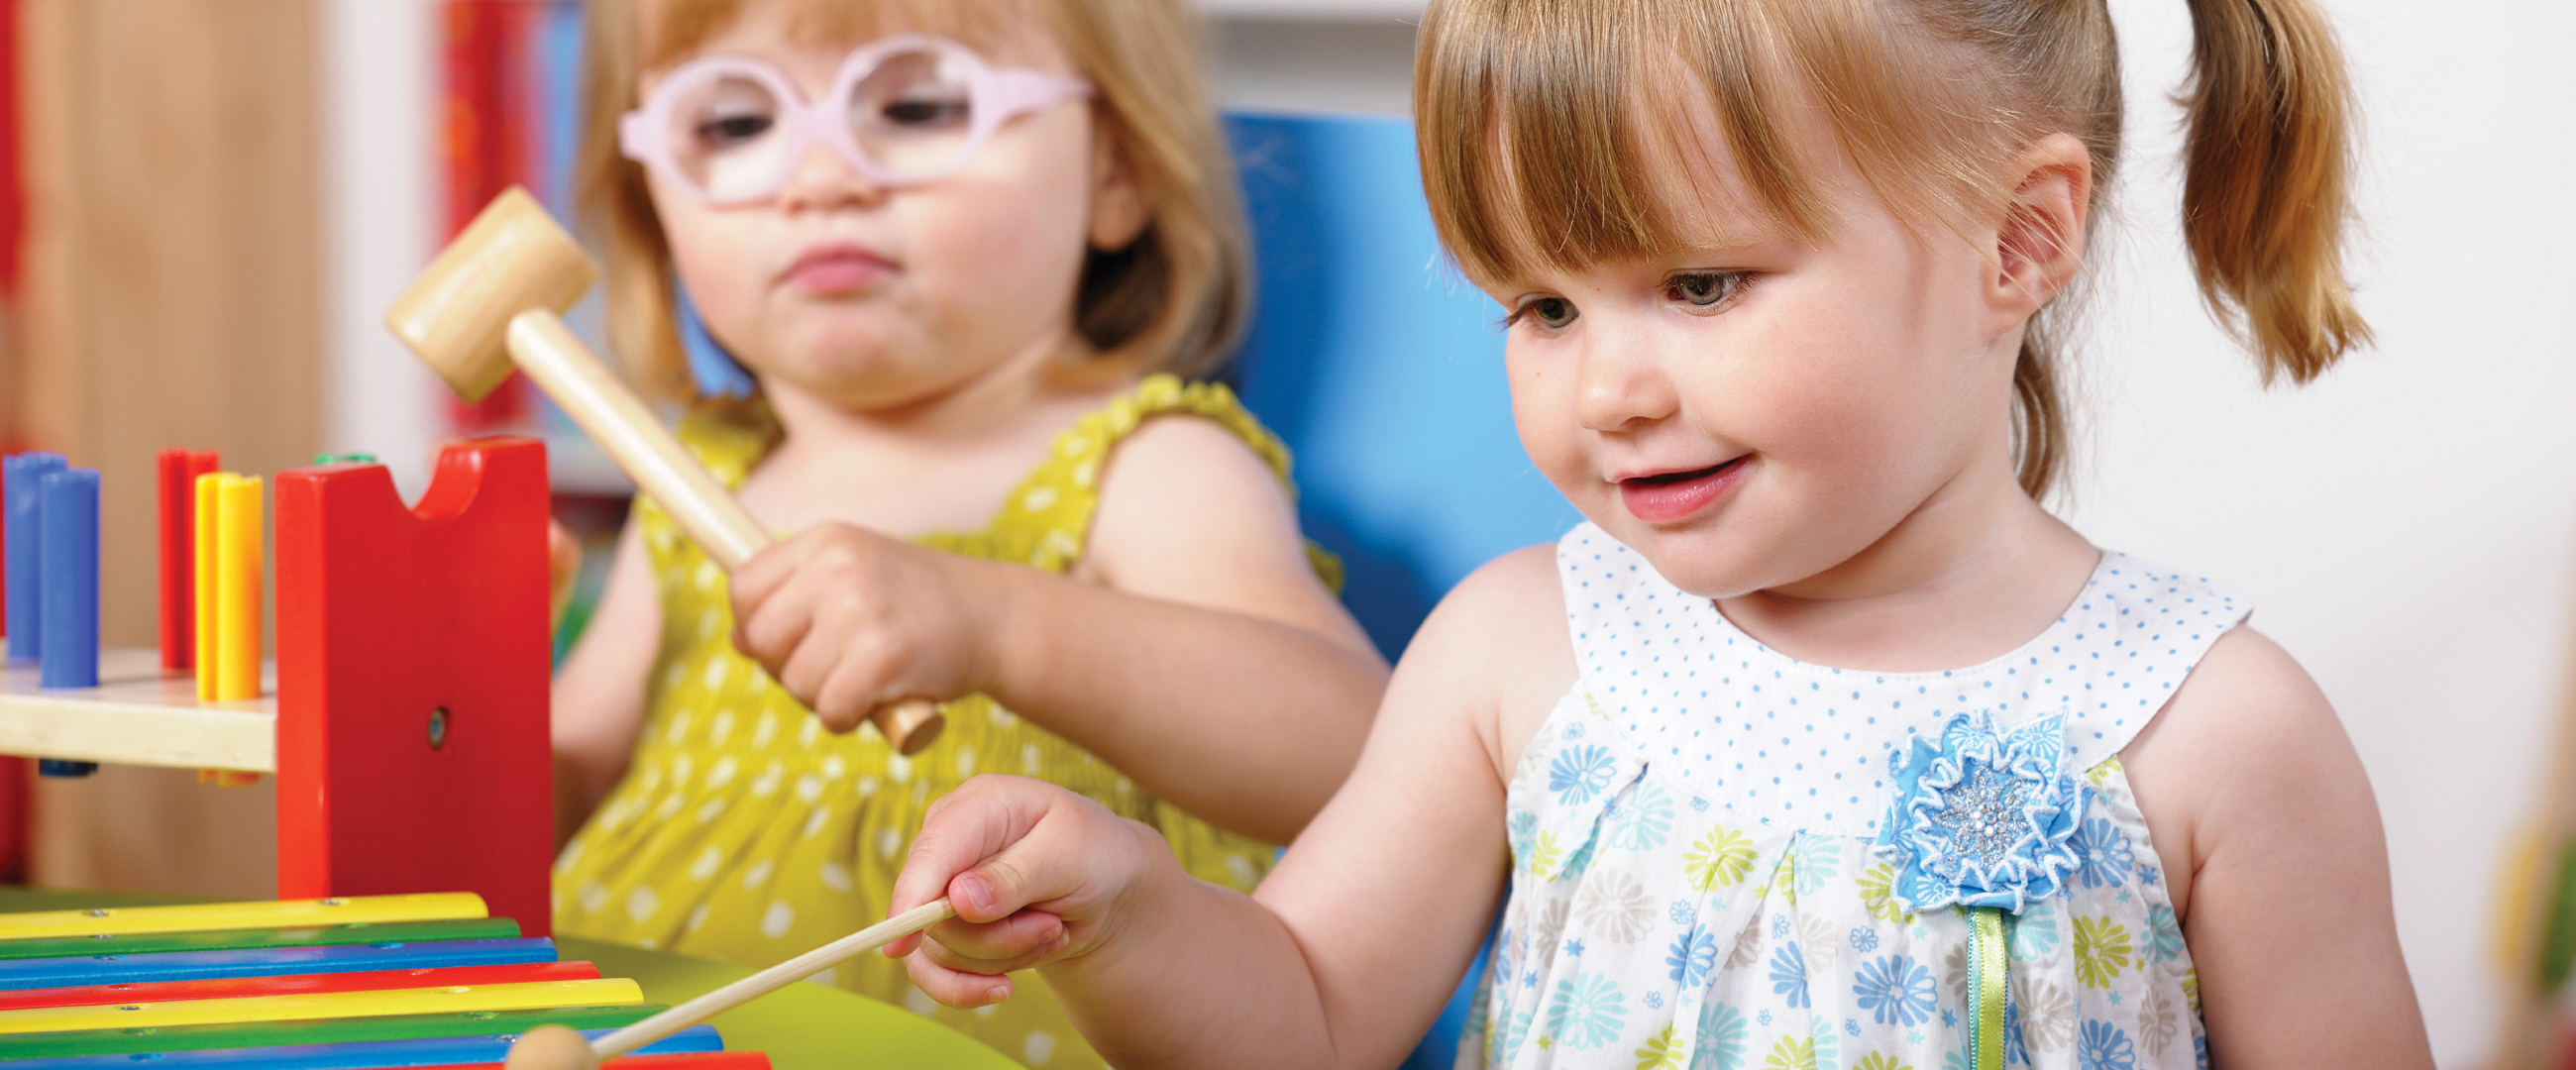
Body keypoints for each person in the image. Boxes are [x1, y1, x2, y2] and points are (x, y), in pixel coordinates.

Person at [880, 0, 2438, 1065]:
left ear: (2018, 239)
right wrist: (1125, 906)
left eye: (1700, 284)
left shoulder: (2211, 735)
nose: (1611, 390)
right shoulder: (1519, 653)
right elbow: (1303, 1013)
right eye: (1543, 304)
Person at [544, 1, 1389, 1065]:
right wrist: (454, 701)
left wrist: (997, 625)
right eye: (735, 127)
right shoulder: (696, 483)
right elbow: (559, 792)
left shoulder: (1137, 463)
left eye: (914, 104)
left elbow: (1363, 760)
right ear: (648, 199)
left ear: (1115, 170)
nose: (820, 180)